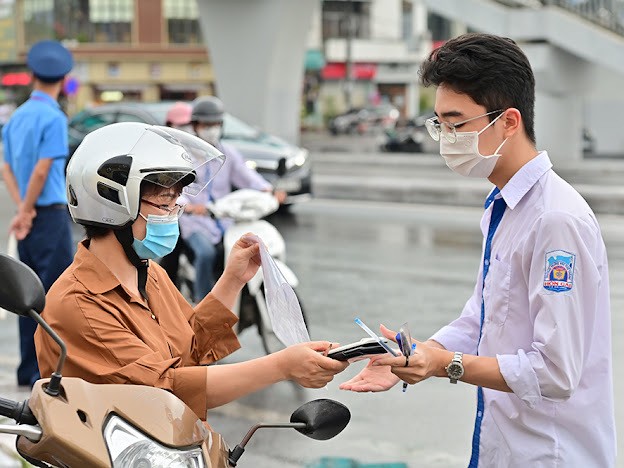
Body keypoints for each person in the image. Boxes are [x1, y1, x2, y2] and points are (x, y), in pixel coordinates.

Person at [340, 33, 615, 467]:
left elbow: (556, 372)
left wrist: (444, 364)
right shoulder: (501, 205)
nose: (446, 138)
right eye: (439, 124)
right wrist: (417, 354)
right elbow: (483, 317)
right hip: (502, 446)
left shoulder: (555, 220)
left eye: (457, 123)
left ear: (509, 121)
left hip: (551, 453)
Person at [34, 122, 348, 421]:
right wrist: (281, 366)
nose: (173, 217)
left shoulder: (148, 274)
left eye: (177, 205)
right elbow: (165, 388)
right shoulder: (78, 303)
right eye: (164, 205)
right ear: (114, 203)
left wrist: (232, 279)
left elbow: (191, 347)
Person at [161, 97, 286, 302]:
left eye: (216, 124)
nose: (211, 129)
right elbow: (174, 189)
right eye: (206, 125)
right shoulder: (183, 155)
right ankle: (205, 303)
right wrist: (191, 207)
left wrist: (269, 190)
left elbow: (247, 176)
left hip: (225, 220)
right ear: (195, 126)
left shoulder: (228, 153)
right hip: (195, 222)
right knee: (206, 254)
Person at [2, 40, 74, 387]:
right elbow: (44, 170)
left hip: (28, 217)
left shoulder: (16, 117)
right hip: (48, 216)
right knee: (55, 296)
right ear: (63, 78)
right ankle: (45, 372)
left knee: (24, 296)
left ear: (31, 76)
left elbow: (5, 169)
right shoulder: (54, 118)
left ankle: (27, 369)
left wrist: (20, 209)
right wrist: (29, 210)